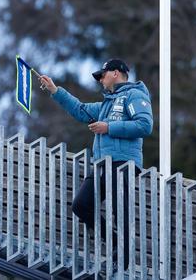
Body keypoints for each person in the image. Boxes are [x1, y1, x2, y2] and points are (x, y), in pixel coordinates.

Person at [38, 59, 153, 270]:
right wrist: (55, 90)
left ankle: (124, 261)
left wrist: (108, 127)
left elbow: (145, 125)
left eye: (103, 74)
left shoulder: (134, 94)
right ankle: (117, 244)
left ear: (116, 73)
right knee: (81, 205)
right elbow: (80, 110)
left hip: (123, 163)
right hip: (102, 164)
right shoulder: (107, 104)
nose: (100, 79)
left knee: (121, 212)